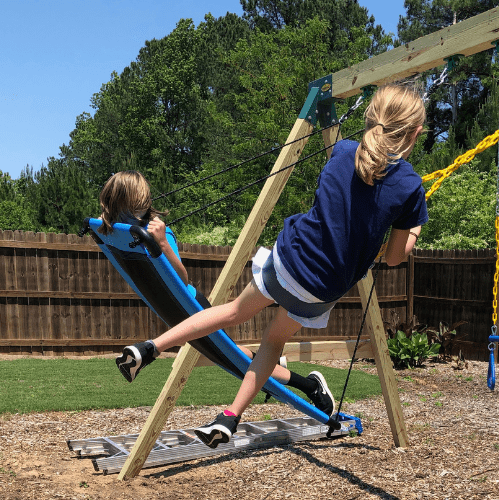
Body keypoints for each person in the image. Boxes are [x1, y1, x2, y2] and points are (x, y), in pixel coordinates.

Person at [116, 84, 429, 448]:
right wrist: (415, 227)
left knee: (230, 312)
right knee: (273, 341)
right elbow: (393, 257)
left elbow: (344, 200)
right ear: (415, 132)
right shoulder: (410, 187)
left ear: (370, 117)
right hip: (320, 290)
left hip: (289, 262)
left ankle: (150, 347)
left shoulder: (343, 151)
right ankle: (230, 416)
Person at [99, 170, 336, 419]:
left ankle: (309, 385)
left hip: (190, 306)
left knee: (234, 361)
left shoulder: (157, 233)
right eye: (128, 206)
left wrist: (163, 245)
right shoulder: (118, 234)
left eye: (137, 205)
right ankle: (281, 369)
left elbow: (182, 279)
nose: (135, 212)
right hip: (171, 309)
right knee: (233, 356)